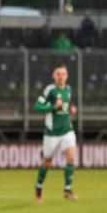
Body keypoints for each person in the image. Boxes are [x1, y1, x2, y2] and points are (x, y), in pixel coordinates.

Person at [34, 64, 78, 202]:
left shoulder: (69, 89)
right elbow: (37, 106)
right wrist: (53, 107)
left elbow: (66, 105)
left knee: (71, 158)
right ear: (54, 76)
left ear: (67, 76)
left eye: (63, 74)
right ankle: (39, 186)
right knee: (47, 161)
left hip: (67, 130)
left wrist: (71, 109)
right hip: (52, 133)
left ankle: (67, 190)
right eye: (58, 74)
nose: (61, 77)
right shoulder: (50, 90)